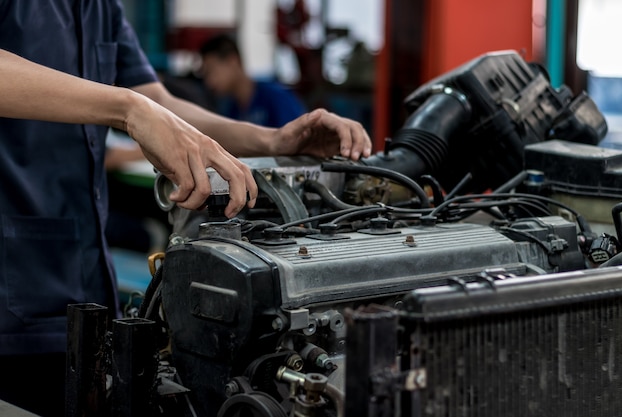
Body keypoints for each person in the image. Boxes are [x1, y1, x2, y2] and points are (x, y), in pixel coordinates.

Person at [0, 1, 371, 416]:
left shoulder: (98, 8)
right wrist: (129, 109)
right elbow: (138, 105)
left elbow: (155, 99)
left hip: (84, 286)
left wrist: (271, 141)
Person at [200, 33, 307, 127]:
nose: (209, 82)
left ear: (232, 61)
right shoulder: (230, 111)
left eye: (211, 71)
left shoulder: (276, 98)